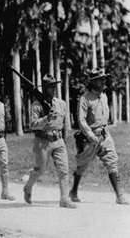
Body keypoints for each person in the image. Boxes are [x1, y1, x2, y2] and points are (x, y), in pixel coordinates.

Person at [70, 68, 129, 205]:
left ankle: (119, 195)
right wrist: (90, 135)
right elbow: (81, 120)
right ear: (93, 82)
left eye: (104, 79)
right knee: (82, 166)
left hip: (104, 135)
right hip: (90, 139)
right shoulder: (85, 98)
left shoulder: (104, 96)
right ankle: (73, 191)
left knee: (112, 161)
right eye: (100, 80)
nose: (103, 82)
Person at [23, 75, 76, 208]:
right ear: (44, 88)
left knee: (64, 169)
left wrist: (63, 139)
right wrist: (47, 118)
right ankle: (28, 187)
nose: (53, 89)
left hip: (58, 141)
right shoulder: (37, 105)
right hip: (43, 141)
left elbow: (64, 124)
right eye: (50, 86)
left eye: (54, 86)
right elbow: (33, 125)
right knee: (40, 170)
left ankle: (64, 198)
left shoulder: (61, 104)